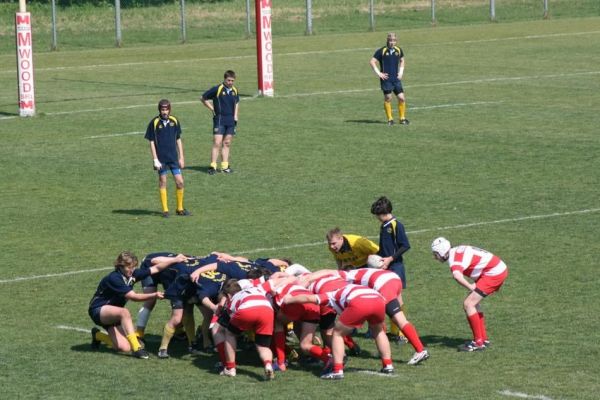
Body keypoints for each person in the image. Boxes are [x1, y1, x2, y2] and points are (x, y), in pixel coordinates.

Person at [283, 283, 393, 380]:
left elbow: (308, 298)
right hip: (378, 300)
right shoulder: (349, 288)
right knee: (378, 332)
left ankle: (337, 370)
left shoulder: (332, 295)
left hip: (360, 301)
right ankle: (388, 365)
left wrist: (289, 299)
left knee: (337, 334)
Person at [431, 237, 509, 352]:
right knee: (473, 302)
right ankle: (483, 339)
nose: (435, 257)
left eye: (436, 254)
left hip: (493, 273)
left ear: (442, 252)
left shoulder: (454, 260)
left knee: (468, 304)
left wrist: (471, 286)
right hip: (494, 269)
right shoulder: (456, 251)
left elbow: (457, 276)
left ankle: (478, 343)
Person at [88, 251, 167, 359]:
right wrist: (154, 295)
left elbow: (156, 269)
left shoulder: (132, 274)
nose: (132, 270)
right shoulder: (114, 278)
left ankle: (97, 335)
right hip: (98, 310)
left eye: (134, 267)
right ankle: (137, 349)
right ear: (120, 266)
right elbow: (133, 297)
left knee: (124, 347)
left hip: (114, 313)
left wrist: (175, 260)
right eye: (129, 267)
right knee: (124, 312)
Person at [370, 196, 411, 341]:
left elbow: (405, 245)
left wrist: (390, 259)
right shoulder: (384, 225)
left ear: (383, 213)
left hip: (395, 267)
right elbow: (384, 247)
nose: (377, 218)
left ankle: (402, 333)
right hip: (385, 266)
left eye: (377, 216)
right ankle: (393, 332)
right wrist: (377, 257)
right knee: (387, 298)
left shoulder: (396, 225)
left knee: (397, 299)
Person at [145, 99, 191, 218]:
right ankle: (165, 210)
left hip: (173, 158)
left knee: (180, 182)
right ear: (159, 110)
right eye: (162, 109)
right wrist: (155, 159)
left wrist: (181, 157)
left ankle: (180, 208)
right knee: (163, 182)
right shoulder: (154, 123)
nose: (164, 112)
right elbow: (151, 141)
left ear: (170, 109)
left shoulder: (174, 121)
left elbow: (178, 139)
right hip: (161, 159)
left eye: (166, 109)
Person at [201, 70, 240, 175]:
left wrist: (236, 115)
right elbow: (203, 98)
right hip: (219, 120)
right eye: (229, 80)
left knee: (227, 143)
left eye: (232, 80)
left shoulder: (235, 90)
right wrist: (212, 109)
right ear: (224, 79)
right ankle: (213, 166)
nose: (230, 82)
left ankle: (224, 166)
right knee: (217, 142)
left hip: (231, 121)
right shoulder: (217, 89)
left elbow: (236, 103)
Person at [370, 32, 409, 126]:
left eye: (394, 40)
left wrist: (401, 72)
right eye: (390, 40)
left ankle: (402, 118)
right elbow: (372, 61)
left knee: (402, 98)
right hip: (386, 79)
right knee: (388, 98)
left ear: (396, 41)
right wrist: (379, 73)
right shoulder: (382, 51)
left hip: (396, 79)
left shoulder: (398, 50)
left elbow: (402, 60)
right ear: (387, 40)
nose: (392, 42)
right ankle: (390, 119)